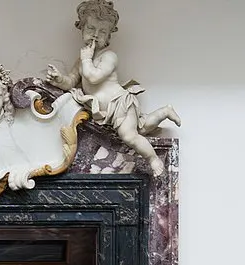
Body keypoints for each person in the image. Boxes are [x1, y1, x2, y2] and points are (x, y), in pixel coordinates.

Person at [46, 0, 180, 177]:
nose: (95, 35)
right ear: (82, 29)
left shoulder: (109, 56)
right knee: (140, 130)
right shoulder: (81, 62)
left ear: (109, 36)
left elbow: (94, 77)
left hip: (119, 104)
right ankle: (164, 112)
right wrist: (58, 79)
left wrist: (86, 59)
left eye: (102, 32)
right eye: (91, 29)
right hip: (108, 111)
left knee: (130, 137)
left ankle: (153, 159)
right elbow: (71, 81)